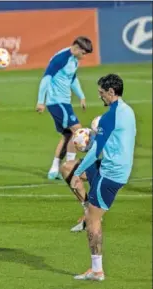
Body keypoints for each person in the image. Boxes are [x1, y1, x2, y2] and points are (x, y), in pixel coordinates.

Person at [70, 74, 136, 281]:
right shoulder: (127, 110)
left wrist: (80, 171)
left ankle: (97, 270)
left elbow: (96, 149)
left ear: (111, 92)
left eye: (101, 93)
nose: (99, 96)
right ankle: (86, 207)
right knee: (67, 167)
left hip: (110, 173)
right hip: (120, 167)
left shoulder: (110, 116)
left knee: (93, 220)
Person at [36, 36, 93, 180]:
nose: (84, 57)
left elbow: (72, 79)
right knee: (78, 131)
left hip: (64, 102)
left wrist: (81, 96)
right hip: (56, 102)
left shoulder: (74, 60)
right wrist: (40, 101)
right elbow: (46, 79)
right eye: (84, 53)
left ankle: (54, 170)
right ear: (77, 48)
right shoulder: (61, 58)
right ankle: (70, 167)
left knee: (68, 135)